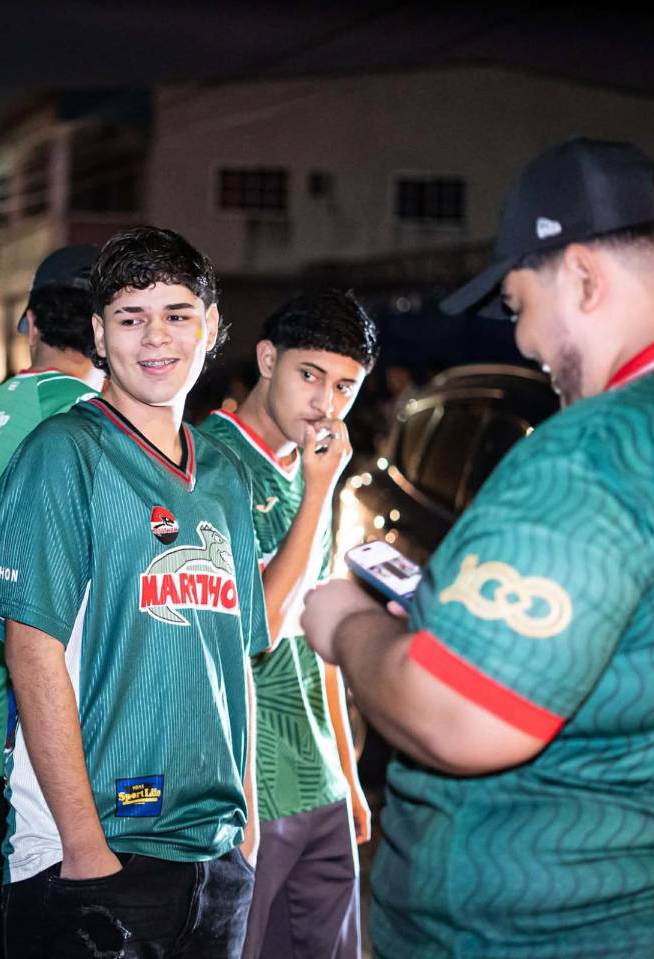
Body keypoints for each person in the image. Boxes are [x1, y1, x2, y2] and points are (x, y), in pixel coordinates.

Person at [302, 137, 654, 957]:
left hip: (540, 931)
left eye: (519, 306)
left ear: (584, 278)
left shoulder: (603, 447)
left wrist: (348, 624)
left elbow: (459, 713)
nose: (522, 344)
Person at [0, 226, 268, 959]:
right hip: (97, 855)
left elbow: (238, 665)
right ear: (99, 334)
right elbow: (31, 654)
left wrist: (250, 826)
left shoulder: (227, 475)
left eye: (177, 314)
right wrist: (85, 847)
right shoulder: (62, 453)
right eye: (131, 318)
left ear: (212, 328)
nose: (156, 337)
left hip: (215, 858)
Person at [199, 290, 377, 959]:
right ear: (267, 359)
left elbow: (319, 626)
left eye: (345, 387)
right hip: (249, 789)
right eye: (310, 375)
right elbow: (262, 626)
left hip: (321, 778)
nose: (326, 404)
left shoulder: (312, 463)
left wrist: (350, 773)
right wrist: (320, 491)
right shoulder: (210, 462)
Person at [0, 244, 104, 956]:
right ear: (105, 329)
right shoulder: (86, 423)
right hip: (32, 739)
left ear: (29, 321)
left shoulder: (5, 403)